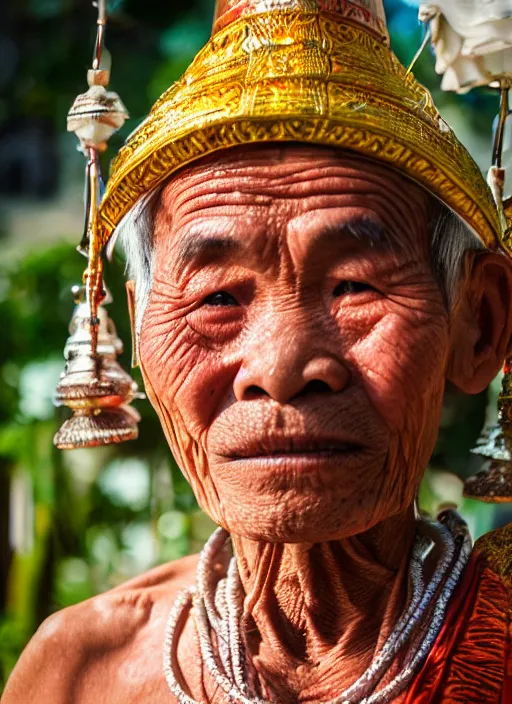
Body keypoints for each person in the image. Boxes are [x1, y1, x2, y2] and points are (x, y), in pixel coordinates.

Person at [3, 1, 512, 702]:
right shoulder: (79, 676)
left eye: (353, 286)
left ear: (479, 324)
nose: (279, 368)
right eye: (217, 299)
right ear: (138, 322)